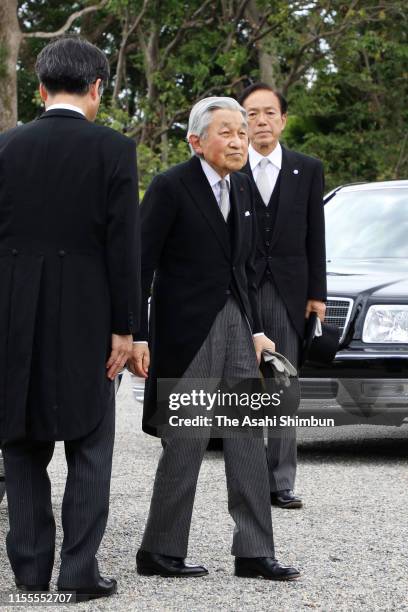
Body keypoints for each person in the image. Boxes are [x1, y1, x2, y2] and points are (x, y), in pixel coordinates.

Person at [129, 96, 299, 581]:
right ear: (196, 140)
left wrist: (258, 330)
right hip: (188, 332)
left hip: (238, 325)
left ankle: (253, 551)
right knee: (186, 439)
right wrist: (137, 335)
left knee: (247, 437)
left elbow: (243, 269)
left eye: (242, 133)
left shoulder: (243, 189)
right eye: (226, 132)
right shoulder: (170, 187)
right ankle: (158, 550)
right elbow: (140, 266)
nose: (238, 141)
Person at [0, 36, 140, 601]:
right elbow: (124, 246)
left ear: (40, 88)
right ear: (97, 87)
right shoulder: (113, 149)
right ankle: (80, 573)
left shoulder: (5, 148)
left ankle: (31, 572)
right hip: (88, 313)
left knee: (20, 441)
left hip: (12, 312)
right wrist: (127, 329)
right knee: (91, 443)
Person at [237, 83, 327, 509]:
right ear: (242, 121)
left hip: (290, 291)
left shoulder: (307, 168)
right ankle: (249, 479)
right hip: (241, 288)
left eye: (269, 113)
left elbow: (317, 237)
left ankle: (281, 481)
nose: (261, 122)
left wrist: (317, 294)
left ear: (283, 119)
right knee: (245, 383)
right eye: (252, 114)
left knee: (284, 384)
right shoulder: (231, 169)